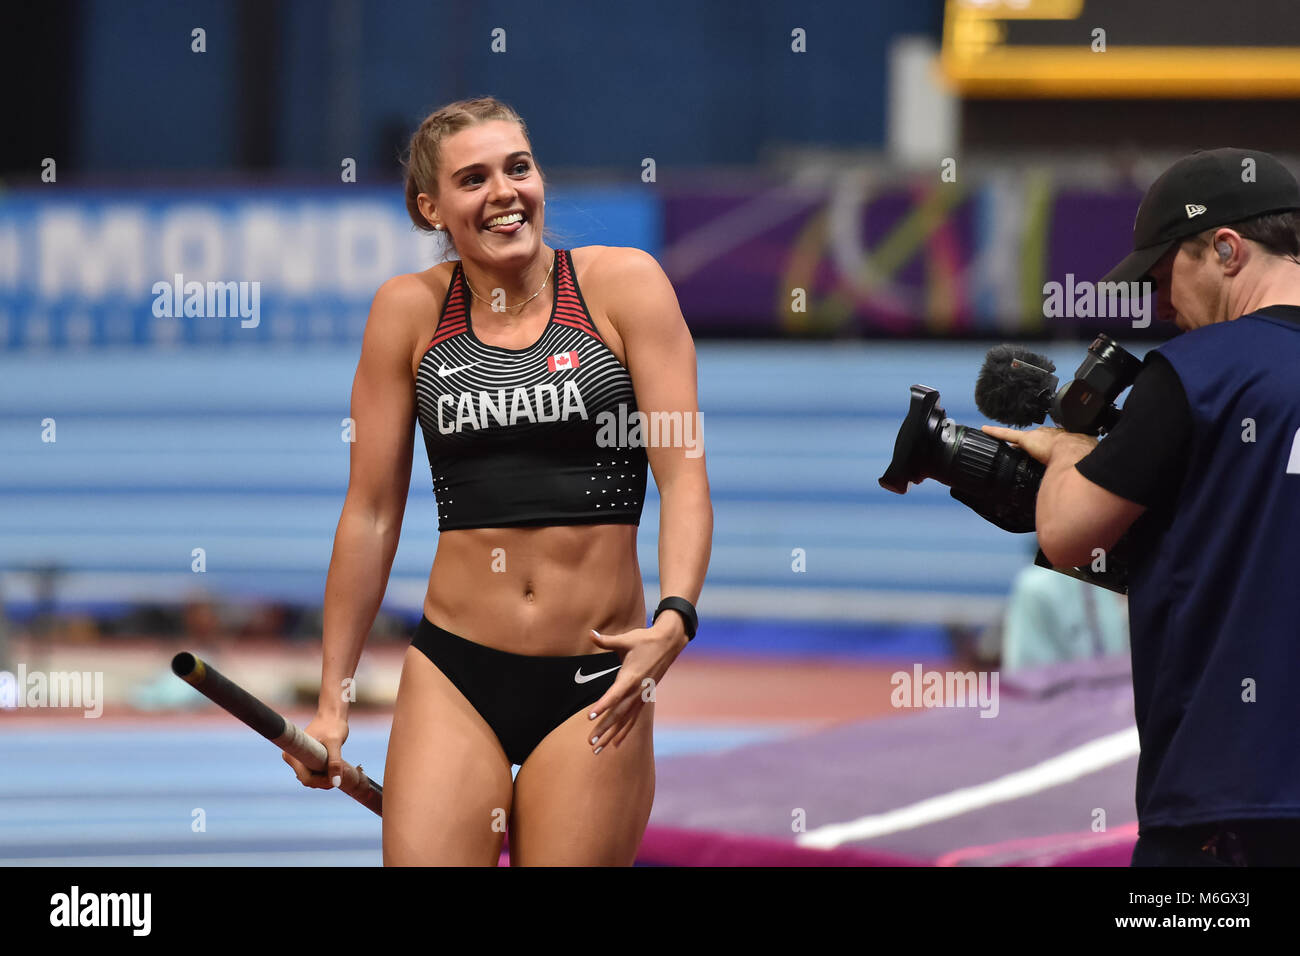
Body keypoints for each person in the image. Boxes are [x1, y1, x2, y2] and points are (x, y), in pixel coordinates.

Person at [282, 97, 712, 865]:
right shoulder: (407, 313)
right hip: (456, 671)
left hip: (597, 680)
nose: (505, 192)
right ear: (432, 207)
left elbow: (683, 473)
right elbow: (372, 515)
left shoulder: (624, 287)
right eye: (473, 179)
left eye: (519, 167)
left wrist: (676, 616)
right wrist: (331, 706)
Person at [982, 147, 1300, 866]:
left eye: (1164, 277)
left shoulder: (1197, 371)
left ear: (1226, 249)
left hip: (1225, 797)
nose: (1162, 305)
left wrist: (1067, 452)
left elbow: (1067, 536)